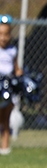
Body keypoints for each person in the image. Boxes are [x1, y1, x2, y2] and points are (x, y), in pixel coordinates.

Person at [0, 16, 22, 155]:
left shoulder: (12, 50)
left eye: (6, 34)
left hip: (8, 87)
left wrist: (20, 74)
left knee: (6, 118)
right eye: (0, 34)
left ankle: (5, 146)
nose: (3, 38)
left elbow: (16, 68)